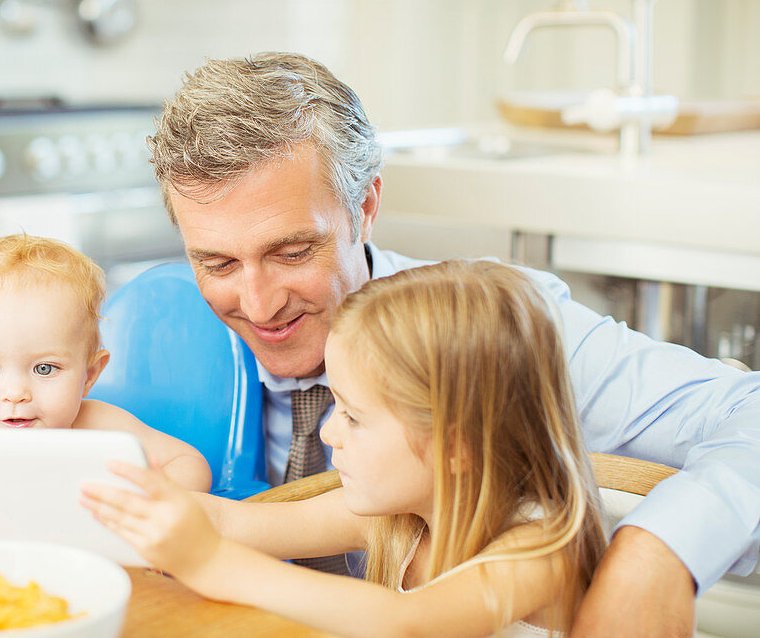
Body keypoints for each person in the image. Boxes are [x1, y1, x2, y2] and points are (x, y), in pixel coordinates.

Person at [0, 52, 760, 636]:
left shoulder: (485, 338)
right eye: (215, 260)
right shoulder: (144, 318)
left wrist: (661, 546)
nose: (257, 301)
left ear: (367, 205)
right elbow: (18, 383)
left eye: (293, 251)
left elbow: (747, 414)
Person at [82, 260, 608, 637]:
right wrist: (117, 510)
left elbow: (408, 623)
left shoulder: (541, 549)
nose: (329, 431)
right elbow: (232, 523)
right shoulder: (400, 517)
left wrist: (211, 563)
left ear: (457, 447)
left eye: (353, 415)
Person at [0, 234, 211, 527]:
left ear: (89, 376)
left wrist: (144, 504)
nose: (15, 394)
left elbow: (191, 465)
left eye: (44, 369)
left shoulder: (99, 427)